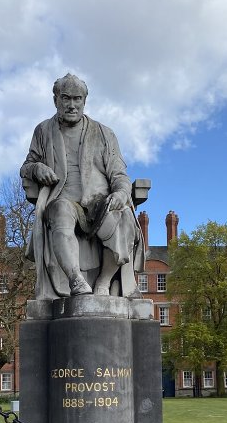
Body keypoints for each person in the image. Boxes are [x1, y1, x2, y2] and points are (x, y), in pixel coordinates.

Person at [20, 72, 145, 299]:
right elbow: (26, 166)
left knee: (124, 216)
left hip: (100, 201)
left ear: (84, 101)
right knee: (58, 211)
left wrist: (121, 192)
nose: (71, 105)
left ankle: (103, 282)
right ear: (56, 100)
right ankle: (75, 280)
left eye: (77, 99)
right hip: (64, 199)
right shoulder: (43, 130)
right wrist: (37, 168)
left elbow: (119, 173)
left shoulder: (104, 133)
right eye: (66, 98)